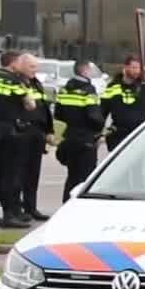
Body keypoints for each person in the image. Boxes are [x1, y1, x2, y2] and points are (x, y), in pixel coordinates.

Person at [0, 50, 51, 227]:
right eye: (23, 63)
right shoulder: (13, 80)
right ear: (14, 63)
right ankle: (9, 213)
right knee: (10, 175)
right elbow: (31, 105)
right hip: (11, 132)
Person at [54, 60, 104, 203]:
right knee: (86, 177)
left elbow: (58, 114)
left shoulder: (64, 90)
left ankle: (66, 203)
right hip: (86, 138)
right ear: (85, 70)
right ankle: (81, 205)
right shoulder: (88, 90)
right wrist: (99, 130)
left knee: (72, 175)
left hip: (70, 136)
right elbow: (94, 116)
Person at [101, 54, 145, 150]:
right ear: (126, 67)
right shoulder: (112, 87)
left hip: (139, 135)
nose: (137, 71)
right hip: (118, 136)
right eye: (133, 67)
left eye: (138, 68)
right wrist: (99, 133)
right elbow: (102, 111)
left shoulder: (144, 87)